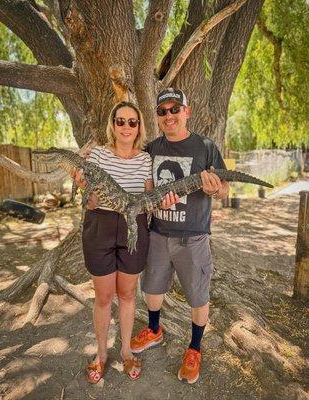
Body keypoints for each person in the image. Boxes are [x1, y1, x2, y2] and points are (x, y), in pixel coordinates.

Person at [72, 101, 178, 384]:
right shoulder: (96, 156)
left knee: (128, 295)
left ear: (139, 127)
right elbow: (90, 199)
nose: (127, 127)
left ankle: (126, 349)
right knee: (104, 297)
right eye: (121, 121)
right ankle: (102, 354)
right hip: (100, 227)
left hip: (134, 228)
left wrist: (163, 201)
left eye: (133, 122)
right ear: (113, 124)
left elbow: (148, 201)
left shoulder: (146, 160)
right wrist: (86, 192)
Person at [130, 88, 230, 384]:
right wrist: (153, 199)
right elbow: (144, 187)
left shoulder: (206, 147)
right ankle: (154, 329)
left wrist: (215, 188)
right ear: (157, 117)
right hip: (158, 234)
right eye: (162, 111)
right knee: (153, 290)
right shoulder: (150, 149)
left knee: (198, 296)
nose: (169, 115)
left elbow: (225, 189)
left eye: (175, 109)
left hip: (193, 238)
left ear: (187, 111)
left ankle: (195, 348)